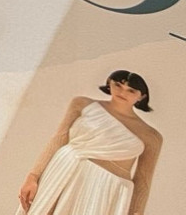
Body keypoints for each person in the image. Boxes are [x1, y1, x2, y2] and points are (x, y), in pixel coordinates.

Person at [16, 71, 162, 215]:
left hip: (105, 190)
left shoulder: (151, 136)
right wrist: (33, 176)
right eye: (118, 85)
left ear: (141, 96)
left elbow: (143, 180)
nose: (122, 92)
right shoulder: (82, 104)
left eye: (131, 90)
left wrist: (136, 212)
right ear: (109, 83)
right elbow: (58, 139)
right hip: (64, 172)